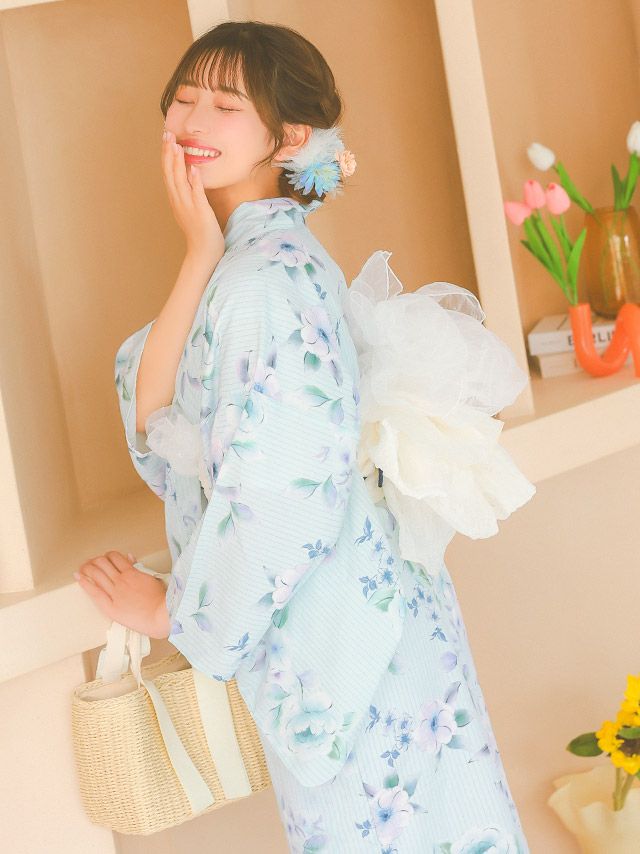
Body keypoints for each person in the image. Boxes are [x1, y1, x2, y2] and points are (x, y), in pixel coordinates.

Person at [79, 20, 536, 852]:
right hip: (354, 630)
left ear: (289, 139)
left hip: (350, 648)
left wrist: (180, 613)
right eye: (183, 98)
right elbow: (158, 419)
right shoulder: (241, 263)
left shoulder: (264, 278)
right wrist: (196, 253)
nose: (192, 121)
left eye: (225, 106)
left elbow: (286, 489)